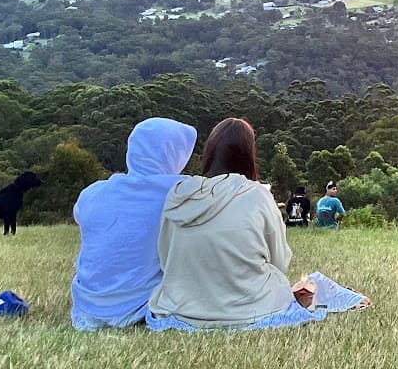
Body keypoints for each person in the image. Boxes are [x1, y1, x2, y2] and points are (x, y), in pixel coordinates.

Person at [147, 117, 318, 330]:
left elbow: (166, 257)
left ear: (209, 152)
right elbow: (280, 262)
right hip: (250, 308)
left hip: (179, 308)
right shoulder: (257, 194)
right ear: (248, 155)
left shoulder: (179, 194)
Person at [70, 117, 196, 330]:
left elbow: (81, 218)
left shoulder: (92, 193)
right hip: (142, 308)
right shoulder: (182, 192)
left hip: (86, 310)